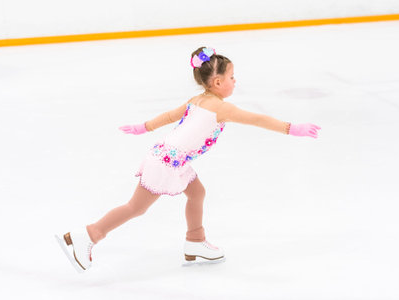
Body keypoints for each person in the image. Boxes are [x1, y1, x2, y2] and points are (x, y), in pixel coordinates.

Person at [55, 46, 321, 273]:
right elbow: (257, 119)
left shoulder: (198, 99)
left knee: (197, 193)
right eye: (231, 77)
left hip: (170, 158)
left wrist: (143, 127)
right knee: (136, 208)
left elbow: (169, 116)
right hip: (167, 162)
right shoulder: (221, 107)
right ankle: (87, 236)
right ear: (217, 83)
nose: (235, 81)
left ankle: (195, 240)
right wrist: (291, 128)